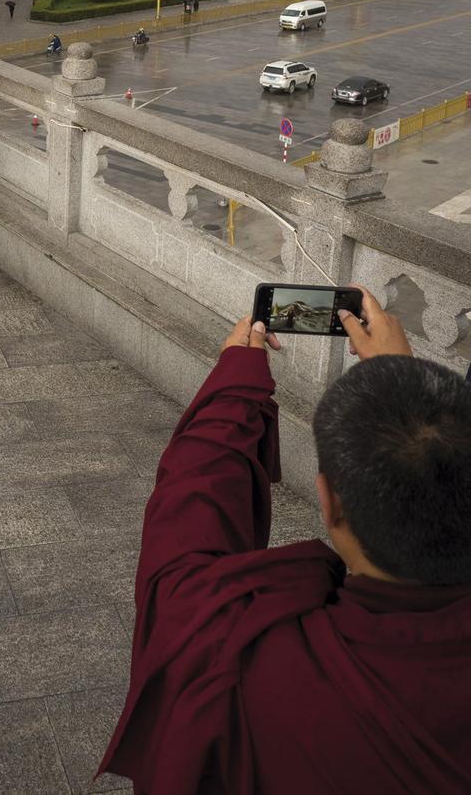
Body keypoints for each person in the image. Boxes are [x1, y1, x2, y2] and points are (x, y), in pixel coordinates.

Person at [98, 287, 471, 794]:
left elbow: (184, 531)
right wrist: (405, 397)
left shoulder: (245, 663)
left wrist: (235, 388)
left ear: (330, 502)